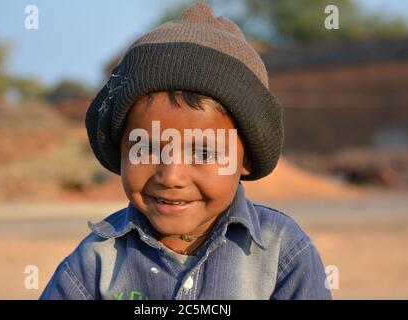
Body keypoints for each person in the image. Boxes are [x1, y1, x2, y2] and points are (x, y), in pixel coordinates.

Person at [40, 2, 331, 300]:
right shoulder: (95, 263)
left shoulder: (282, 253)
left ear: (246, 157)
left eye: (203, 154)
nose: (171, 175)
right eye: (147, 148)